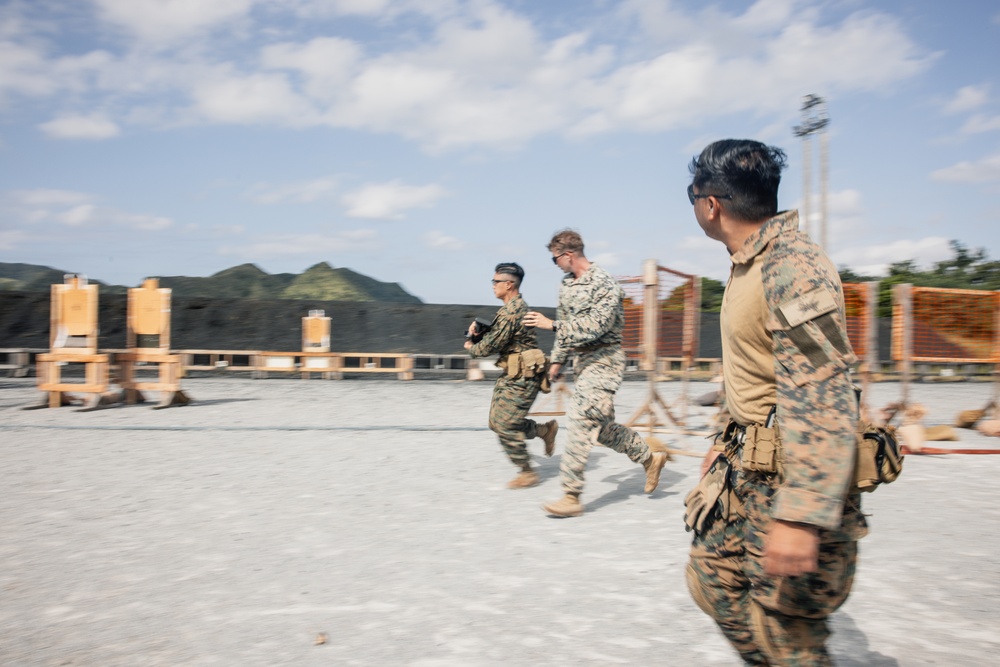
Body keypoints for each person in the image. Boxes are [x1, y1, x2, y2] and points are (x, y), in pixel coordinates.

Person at [683, 139, 865, 666]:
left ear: (710, 204)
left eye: (691, 196)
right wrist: (721, 443)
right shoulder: (747, 264)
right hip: (746, 469)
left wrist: (801, 517)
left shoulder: (791, 266)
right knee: (712, 581)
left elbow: (824, 392)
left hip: (788, 479)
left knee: (787, 630)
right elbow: (750, 372)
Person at [524, 230, 668, 517]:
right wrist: (557, 362)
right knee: (600, 431)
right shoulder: (567, 285)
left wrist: (550, 325)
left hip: (605, 361)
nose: (556, 265)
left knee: (579, 419)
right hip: (583, 362)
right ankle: (650, 459)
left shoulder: (605, 284)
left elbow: (595, 327)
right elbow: (566, 326)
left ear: (568, 254)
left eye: (555, 260)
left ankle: (571, 494)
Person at [465, 262, 559, 489]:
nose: (492, 286)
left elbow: (488, 347)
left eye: (495, 282)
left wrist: (470, 344)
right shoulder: (511, 309)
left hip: (524, 377)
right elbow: (499, 339)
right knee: (497, 423)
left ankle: (527, 472)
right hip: (514, 373)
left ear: (509, 284)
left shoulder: (511, 312)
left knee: (505, 424)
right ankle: (544, 431)